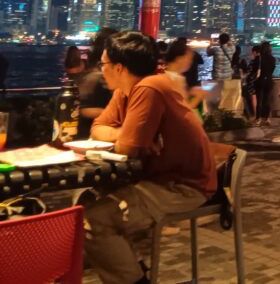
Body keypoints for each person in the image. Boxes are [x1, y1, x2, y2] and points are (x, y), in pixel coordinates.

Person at [85, 32, 216, 284]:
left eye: (103, 64)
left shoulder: (151, 87)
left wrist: (125, 136)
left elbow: (128, 148)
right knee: (90, 201)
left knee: (95, 220)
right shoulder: (125, 90)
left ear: (119, 67)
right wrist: (124, 132)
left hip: (182, 186)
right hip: (155, 178)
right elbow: (98, 128)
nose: (101, 70)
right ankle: (135, 269)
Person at [77, 28, 118, 140]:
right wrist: (112, 114)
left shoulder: (95, 73)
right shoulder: (95, 77)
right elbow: (83, 109)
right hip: (89, 134)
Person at [255, 42, 276, 126]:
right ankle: (267, 118)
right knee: (267, 100)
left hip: (260, 81)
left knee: (259, 101)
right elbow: (272, 70)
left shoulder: (259, 58)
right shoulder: (273, 59)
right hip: (269, 81)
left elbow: (255, 70)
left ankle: (258, 118)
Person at [243, 46, 260, 120]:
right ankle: (259, 114)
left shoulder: (253, 61)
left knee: (253, 97)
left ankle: (255, 114)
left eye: (252, 52)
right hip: (259, 81)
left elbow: (248, 72)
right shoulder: (261, 60)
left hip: (252, 81)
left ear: (255, 52)